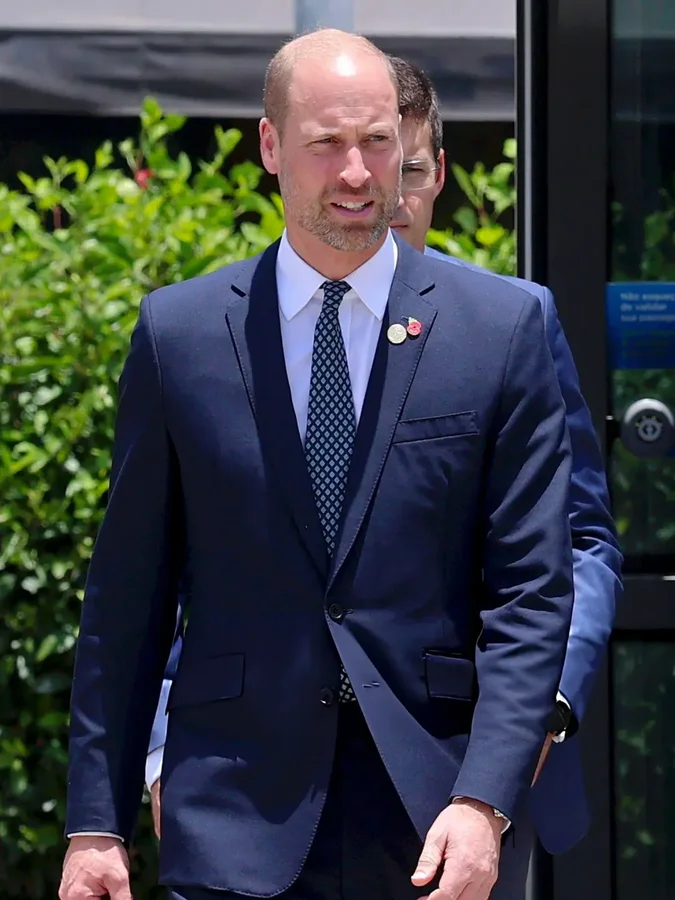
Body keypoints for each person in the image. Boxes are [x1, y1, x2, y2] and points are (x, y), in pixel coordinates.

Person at [60, 29, 577, 900]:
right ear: (269, 146)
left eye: (377, 141)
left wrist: (484, 798)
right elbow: (126, 600)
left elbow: (531, 592)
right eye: (326, 143)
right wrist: (95, 822)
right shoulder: (178, 336)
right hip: (230, 813)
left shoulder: (498, 331)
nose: (356, 173)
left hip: (434, 819)